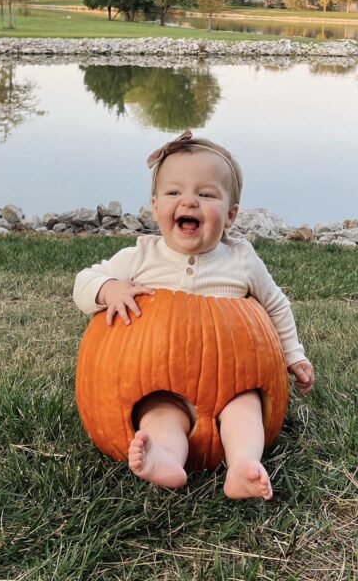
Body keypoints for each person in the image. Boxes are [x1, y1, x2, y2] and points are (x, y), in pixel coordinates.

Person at [73, 130, 314, 500]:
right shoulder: (141, 256)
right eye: (174, 192)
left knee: (246, 410)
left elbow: (276, 304)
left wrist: (293, 354)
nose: (190, 201)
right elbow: (84, 281)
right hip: (159, 381)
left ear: (230, 215)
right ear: (155, 207)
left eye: (206, 194)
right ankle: (165, 458)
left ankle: (243, 465)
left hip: (233, 381)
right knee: (160, 414)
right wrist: (109, 289)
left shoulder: (241, 259)